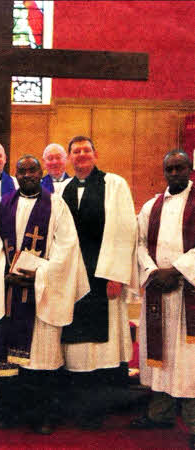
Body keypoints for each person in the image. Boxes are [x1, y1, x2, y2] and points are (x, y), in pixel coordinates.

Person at [0, 155, 89, 434]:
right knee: (11, 359)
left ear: (40, 172)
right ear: (16, 175)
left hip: (43, 292)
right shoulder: (5, 203)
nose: (27, 175)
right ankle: (12, 412)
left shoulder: (56, 204)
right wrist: (3, 273)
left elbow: (67, 246)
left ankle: (44, 414)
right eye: (21, 171)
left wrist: (40, 274)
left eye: (32, 170)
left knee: (41, 356)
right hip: (11, 290)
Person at [56, 136, 137, 429]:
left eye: (86, 150)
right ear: (69, 158)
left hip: (103, 277)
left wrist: (116, 273)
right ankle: (76, 406)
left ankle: (99, 408)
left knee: (102, 346)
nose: (81, 155)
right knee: (75, 344)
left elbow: (125, 228)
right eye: (76, 151)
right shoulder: (62, 188)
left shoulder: (114, 185)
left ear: (95, 154)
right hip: (73, 278)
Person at [132, 150, 195, 450]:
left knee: (189, 359)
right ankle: (160, 413)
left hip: (188, 292)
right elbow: (140, 243)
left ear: (189, 168)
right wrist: (154, 271)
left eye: (179, 168)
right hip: (159, 290)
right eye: (169, 168)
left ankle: (194, 421)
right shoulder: (151, 206)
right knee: (161, 354)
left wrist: (179, 270)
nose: (174, 174)